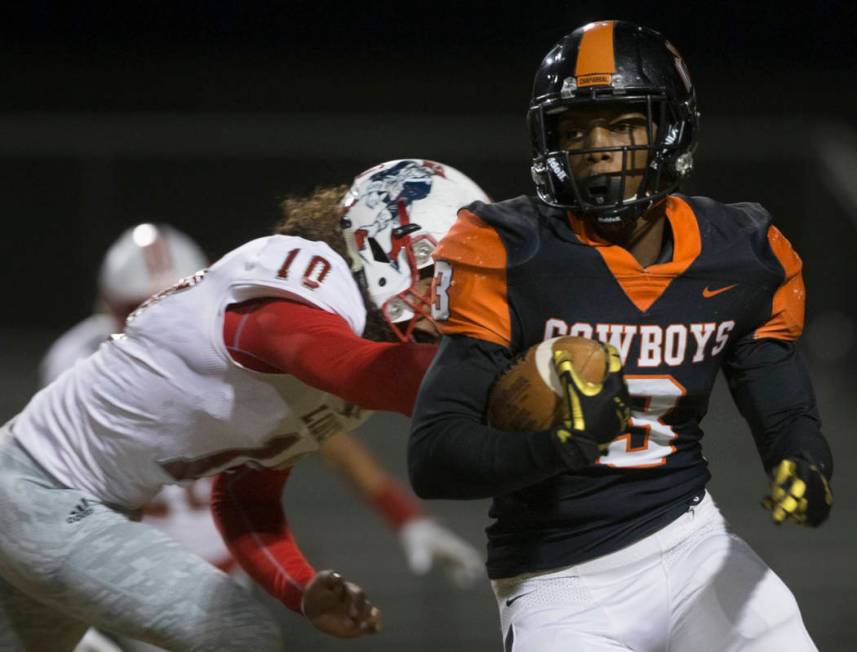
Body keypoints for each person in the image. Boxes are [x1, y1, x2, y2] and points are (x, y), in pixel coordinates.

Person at [409, 21, 833, 652]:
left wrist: (806, 466)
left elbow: (781, 403)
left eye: (622, 123)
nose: (597, 146)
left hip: (691, 545)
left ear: (671, 129)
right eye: (575, 129)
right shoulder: (507, 249)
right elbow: (434, 455)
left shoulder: (742, 252)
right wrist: (561, 446)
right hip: (559, 577)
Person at [0, 158, 488, 652]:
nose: (451, 295)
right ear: (382, 247)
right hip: (39, 493)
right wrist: (511, 371)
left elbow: (244, 495)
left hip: (62, 504)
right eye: (438, 271)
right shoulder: (302, 289)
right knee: (238, 634)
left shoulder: (349, 361)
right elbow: (355, 368)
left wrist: (299, 588)